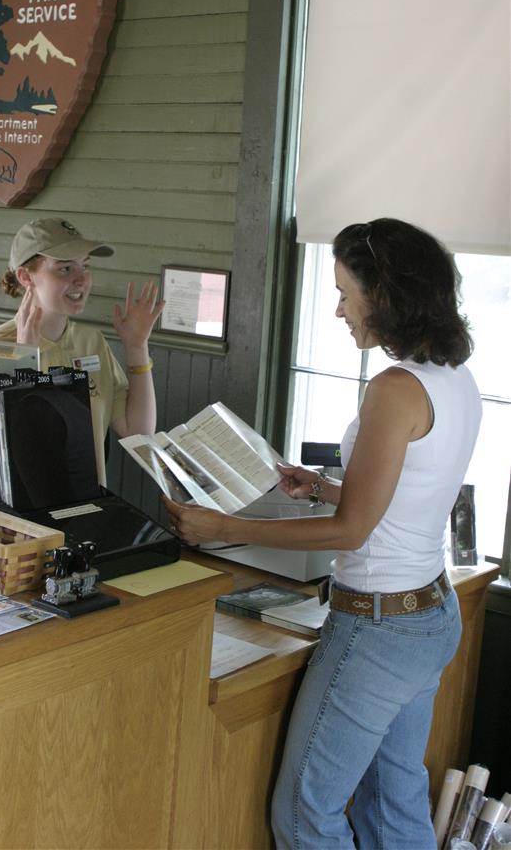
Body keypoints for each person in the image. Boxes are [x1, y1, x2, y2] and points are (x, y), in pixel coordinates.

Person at [164, 218, 481, 850]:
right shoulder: (455, 378)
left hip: (377, 629)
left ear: (383, 293)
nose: (338, 310)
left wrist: (222, 526)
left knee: (304, 816)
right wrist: (322, 486)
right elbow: (406, 498)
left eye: (343, 292)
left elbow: (352, 530)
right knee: (394, 807)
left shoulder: (395, 388)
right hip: (430, 615)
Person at [0, 217, 164, 486]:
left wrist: (137, 347)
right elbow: (2, 455)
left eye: (85, 266)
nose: (82, 280)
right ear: (25, 277)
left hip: (85, 504)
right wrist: (24, 363)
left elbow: (138, 432)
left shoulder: (91, 342)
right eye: (65, 269)